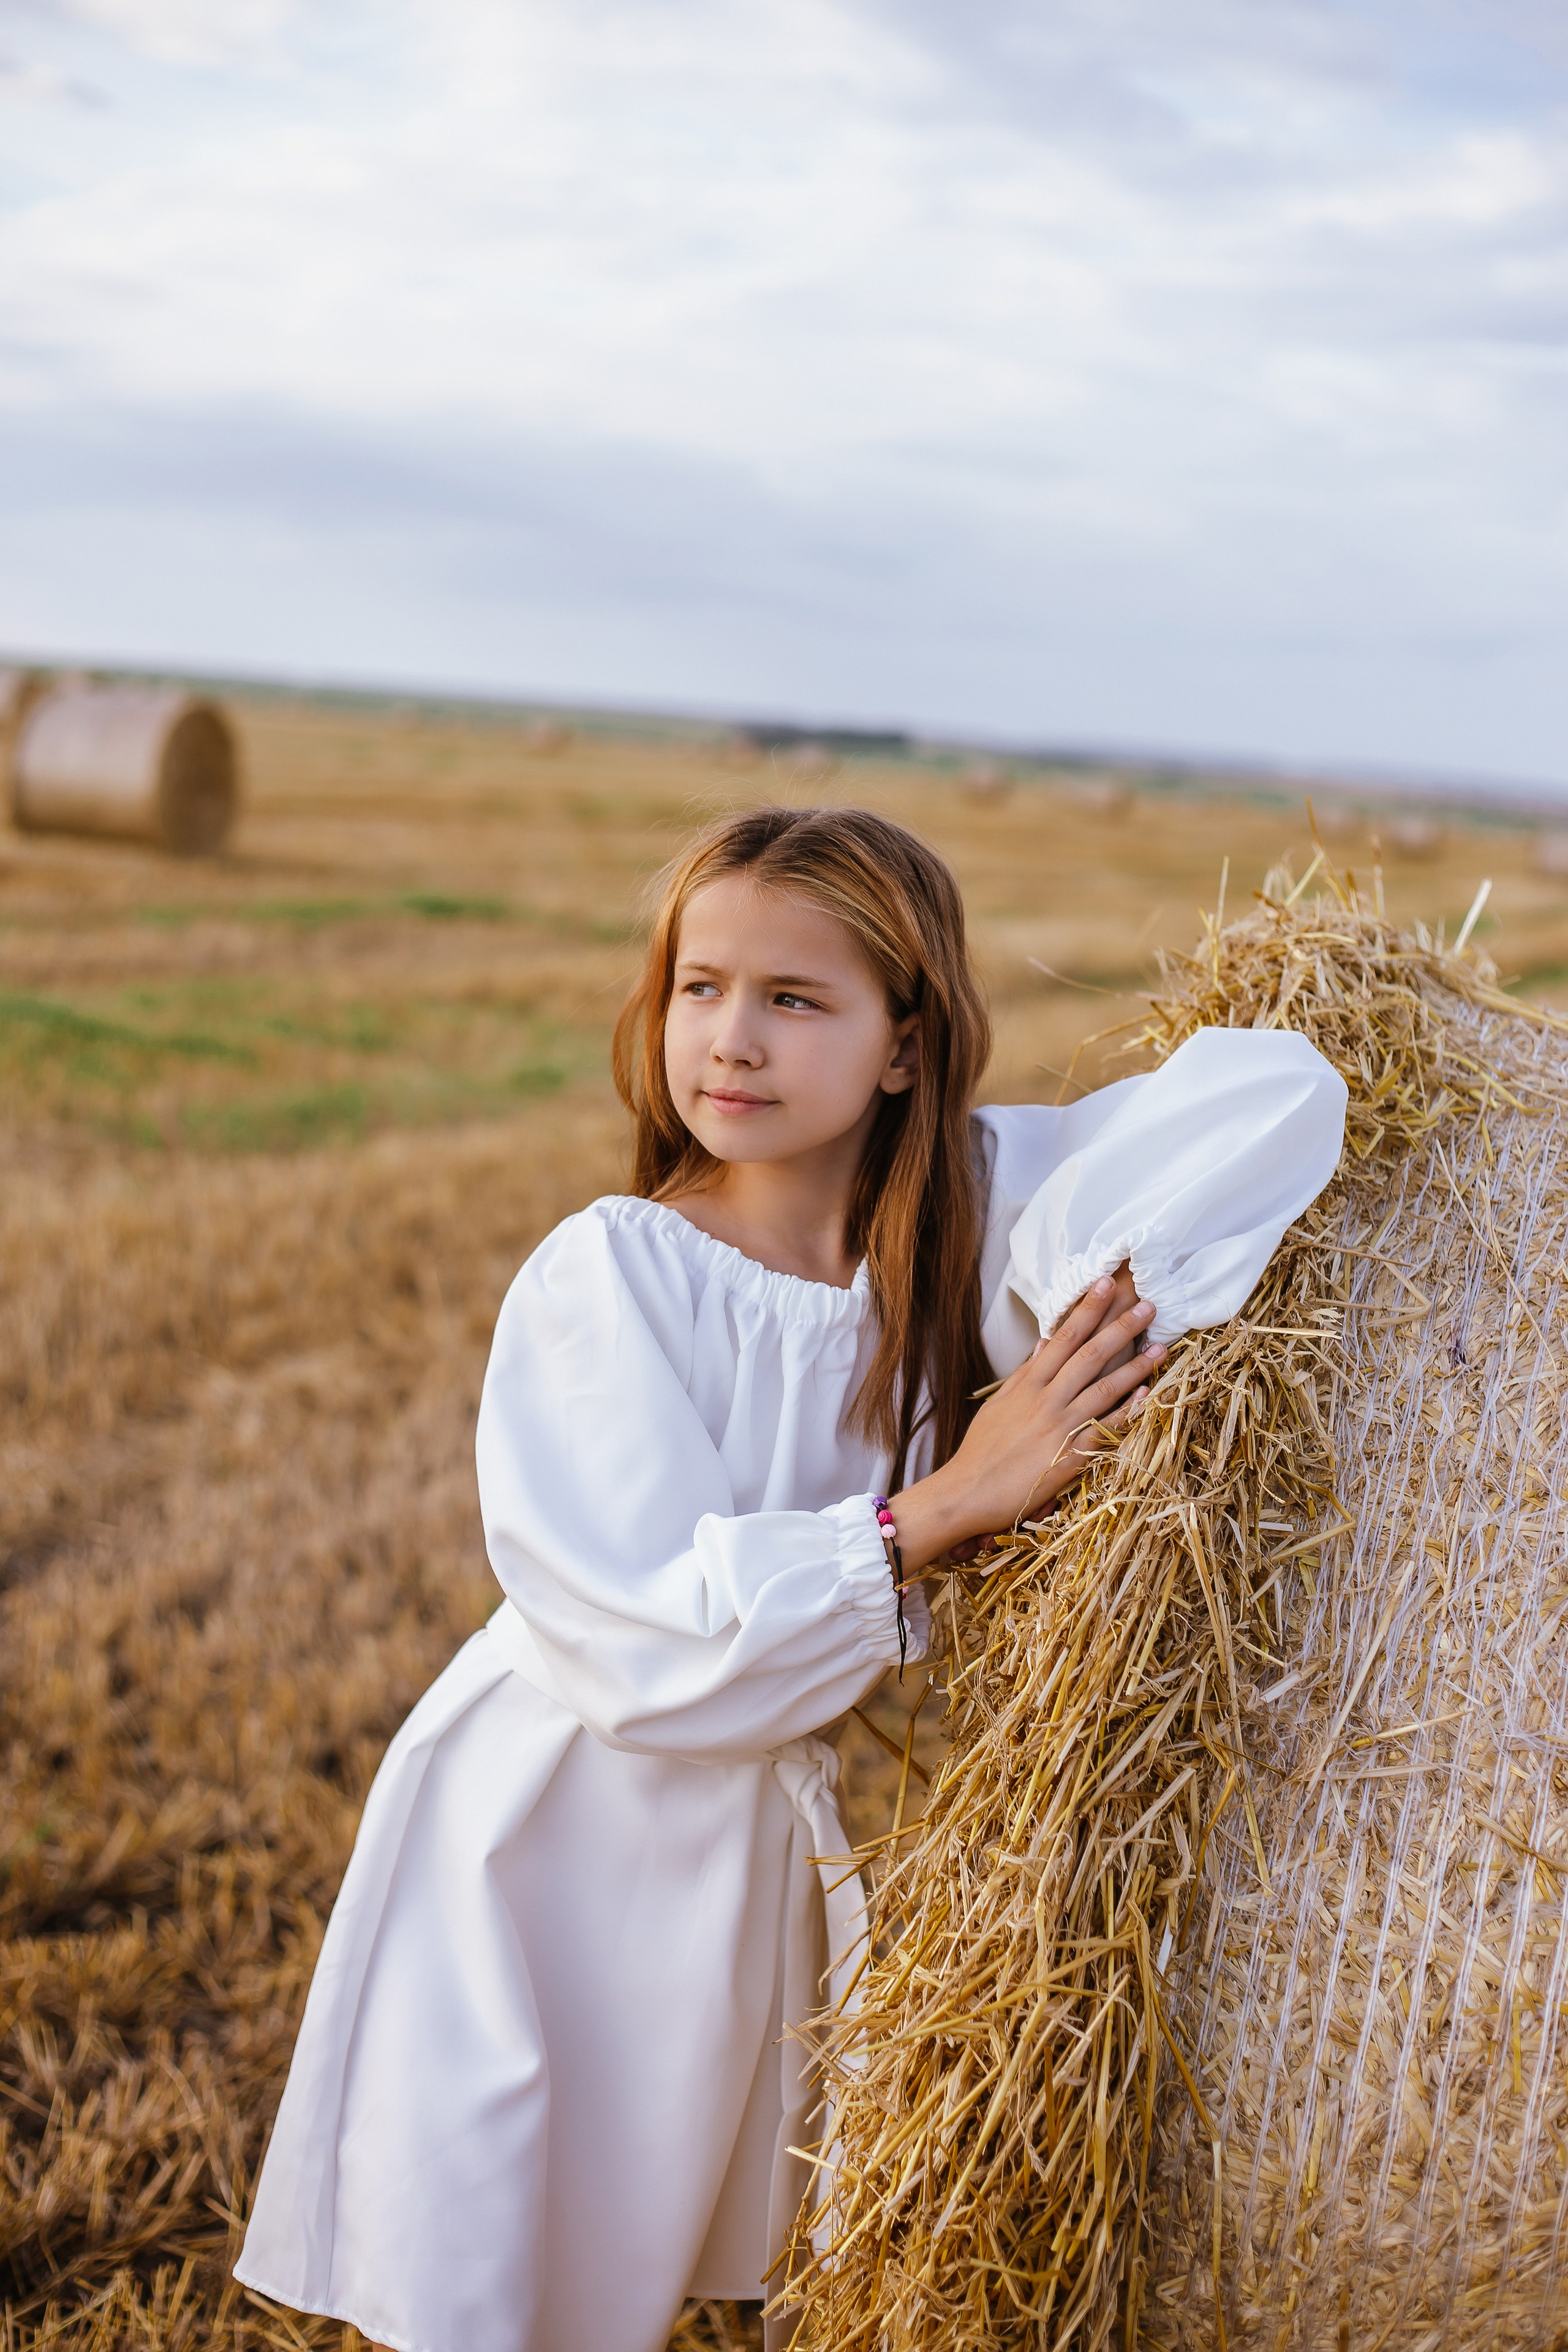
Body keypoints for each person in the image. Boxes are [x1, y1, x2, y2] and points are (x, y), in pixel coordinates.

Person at [234, 806, 1346, 2352]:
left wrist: (1097, 1296)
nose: (730, 1040)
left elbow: (1267, 1096)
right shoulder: (610, 1270)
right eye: (700, 988)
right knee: (503, 2281)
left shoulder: (951, 1226)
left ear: (905, 1043)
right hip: (547, 1827)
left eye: (794, 1000)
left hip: (737, 1847)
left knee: (651, 2271)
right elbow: (640, 1630)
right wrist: (945, 1506)